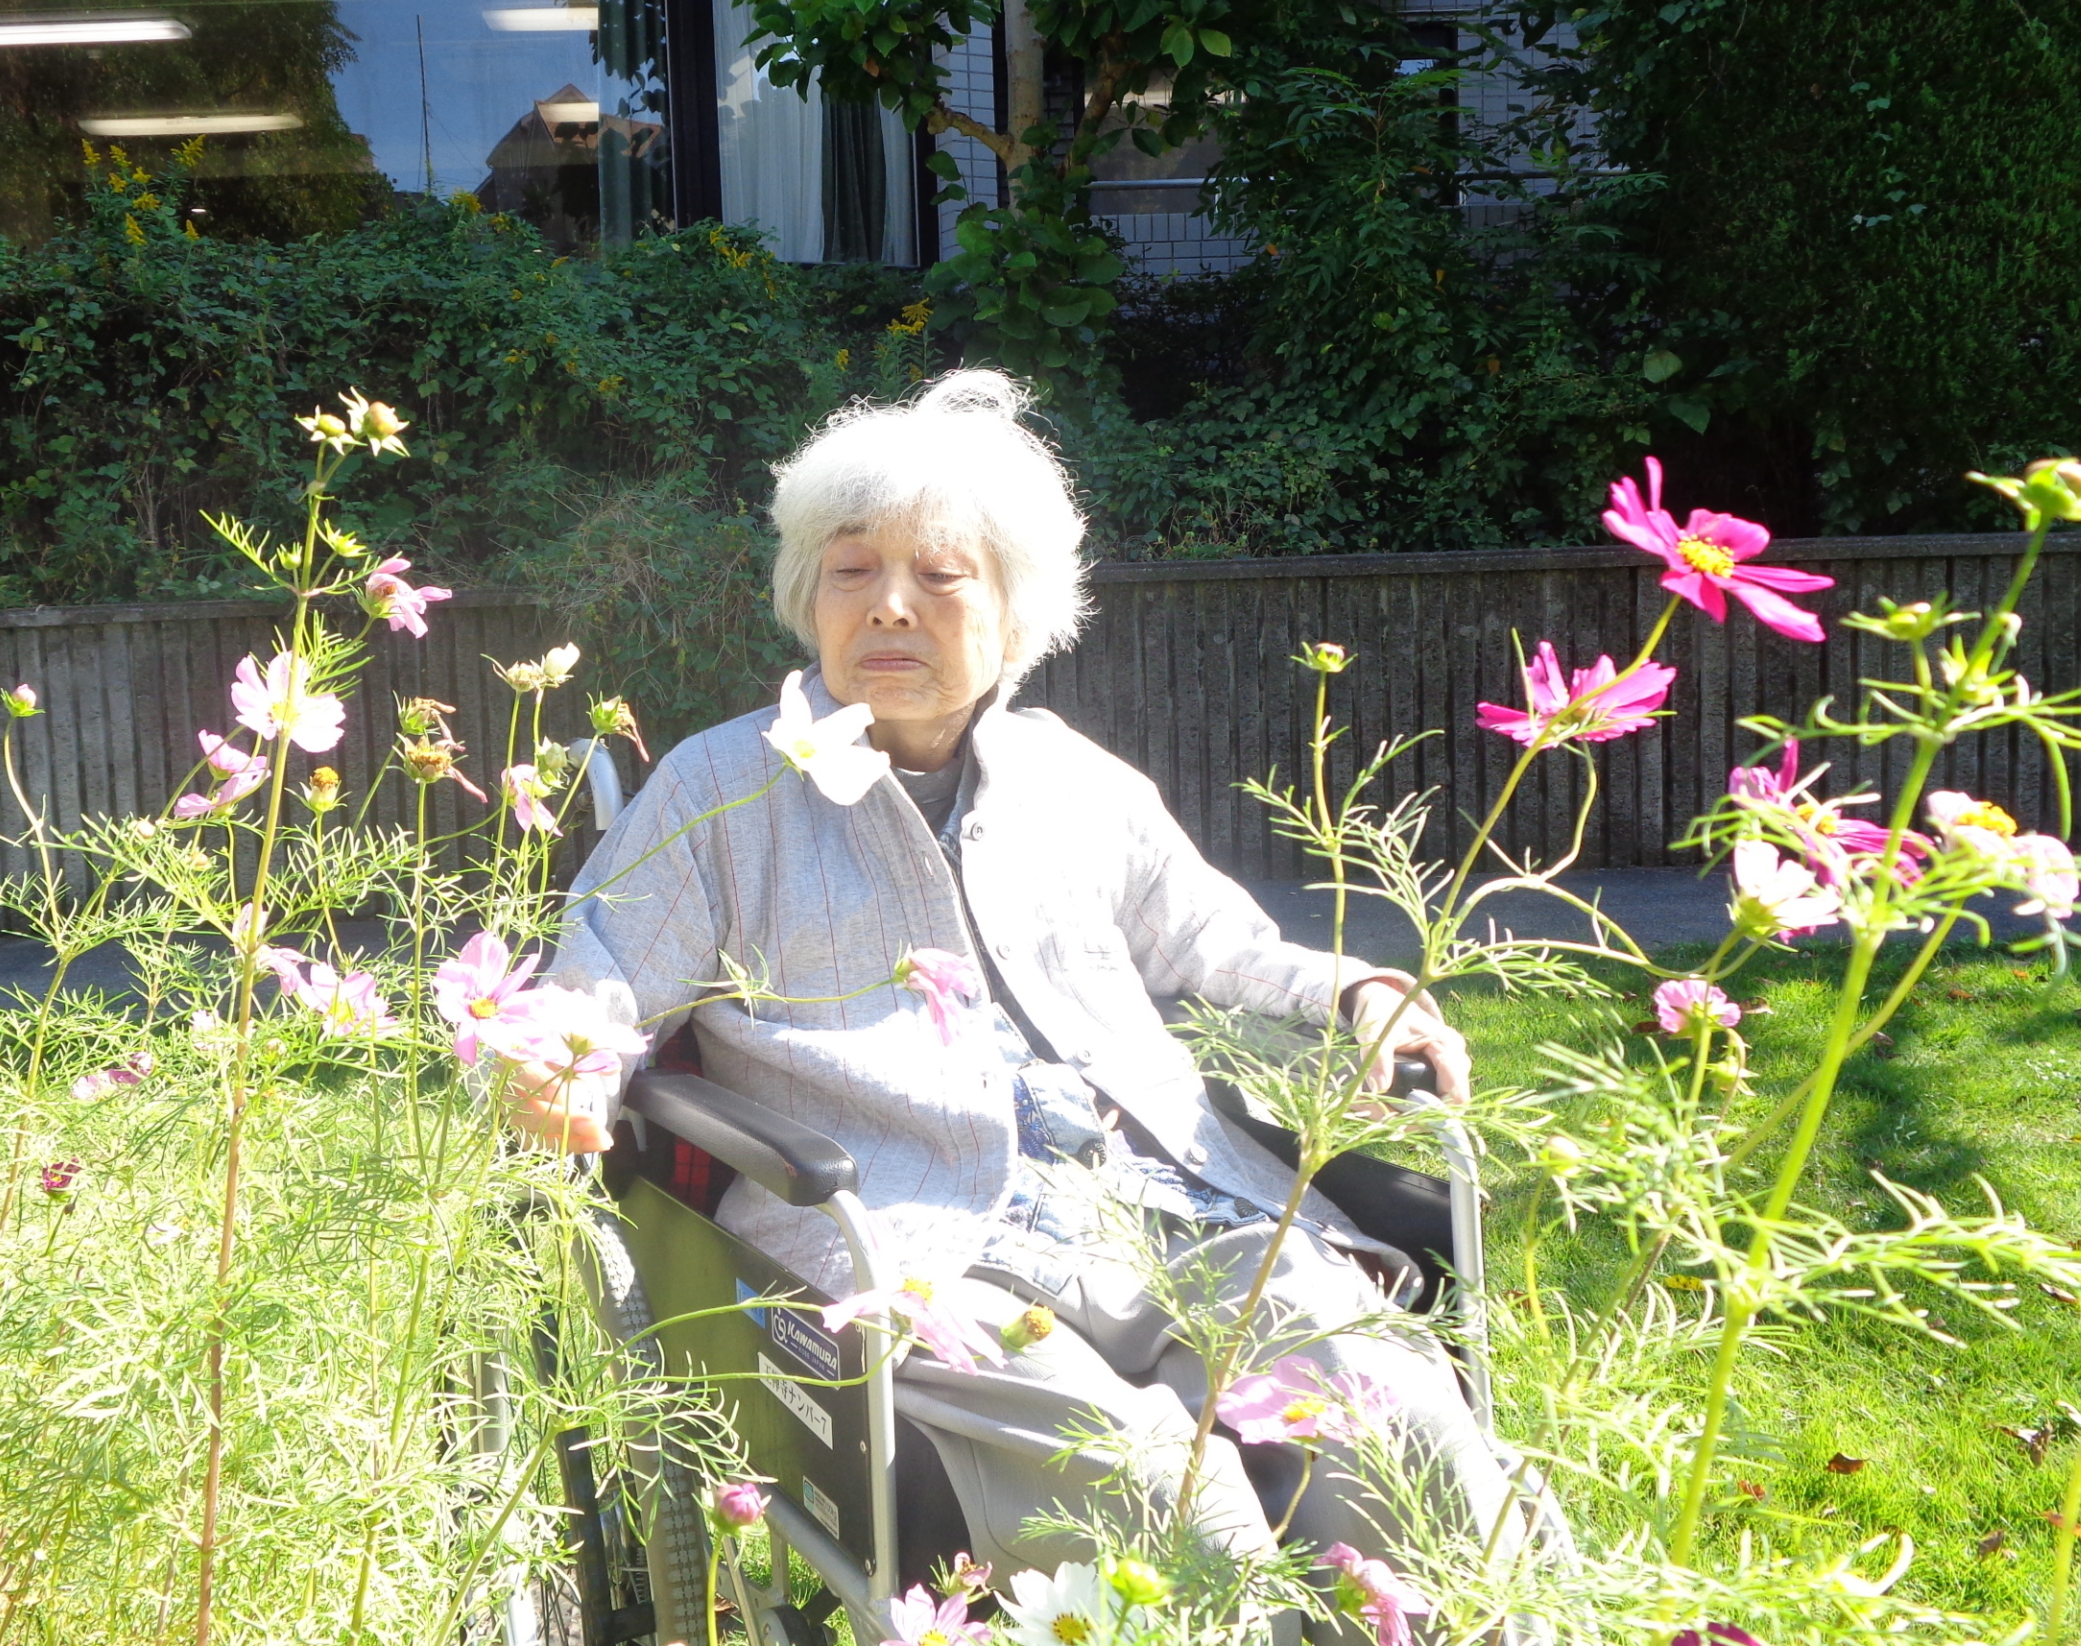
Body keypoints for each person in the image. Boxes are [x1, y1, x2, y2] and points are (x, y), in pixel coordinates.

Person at [519, 371, 1526, 1623]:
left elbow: (1211, 938)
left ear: (1011, 610)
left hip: (1165, 1197)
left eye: (939, 576)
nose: (888, 604)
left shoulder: (1070, 776)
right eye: (849, 571)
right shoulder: (722, 788)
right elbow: (602, 970)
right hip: (909, 1236)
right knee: (1160, 1491)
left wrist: (1356, 986)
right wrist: (562, 1053)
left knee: (1393, 1413)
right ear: (806, 598)